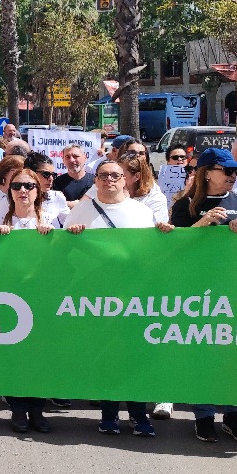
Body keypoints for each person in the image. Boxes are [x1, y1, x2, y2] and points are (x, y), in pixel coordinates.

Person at [67, 159, 172, 438]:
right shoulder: (81, 211)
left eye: (116, 175)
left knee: (136, 356)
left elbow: (154, 255)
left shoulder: (141, 212)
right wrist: (72, 237)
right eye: (103, 175)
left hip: (135, 296)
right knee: (107, 356)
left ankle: (138, 415)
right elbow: (65, 255)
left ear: (125, 179)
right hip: (97, 297)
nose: (109, 180)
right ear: (95, 180)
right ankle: (108, 415)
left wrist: (164, 235)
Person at [164, 147, 237, 444]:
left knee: (232, 355)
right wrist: (201, 225)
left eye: (235, 171)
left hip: (234, 290)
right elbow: (172, 248)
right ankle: (203, 416)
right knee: (201, 354)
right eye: (227, 171)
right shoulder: (186, 204)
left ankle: (234, 415)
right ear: (207, 173)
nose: (233, 176)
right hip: (196, 292)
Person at [0, 167, 55, 434]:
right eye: (17, 186)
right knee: (14, 354)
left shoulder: (52, 217)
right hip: (9, 297)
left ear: (37, 190)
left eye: (29, 186)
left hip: (42, 296)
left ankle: (37, 409)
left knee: (40, 355)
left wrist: (54, 236)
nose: (23, 191)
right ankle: (18, 408)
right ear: (9, 191)